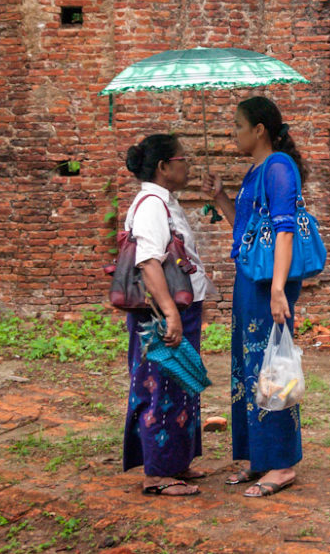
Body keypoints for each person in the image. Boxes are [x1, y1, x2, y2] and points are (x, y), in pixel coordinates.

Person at [202, 96, 305, 498]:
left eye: (239, 127)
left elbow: (284, 230)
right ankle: (255, 456)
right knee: (248, 367)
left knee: (272, 367)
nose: (235, 134)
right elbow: (244, 230)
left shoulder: (279, 167)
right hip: (251, 277)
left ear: (259, 130)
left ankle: (280, 464)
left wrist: (279, 289)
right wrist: (221, 197)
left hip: (268, 283)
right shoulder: (255, 172)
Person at [123, 134, 214, 496]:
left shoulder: (165, 202)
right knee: (159, 387)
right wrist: (170, 314)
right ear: (163, 167)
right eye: (182, 159)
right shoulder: (150, 205)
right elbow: (148, 262)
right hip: (163, 316)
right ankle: (157, 474)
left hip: (179, 311)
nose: (187, 165)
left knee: (181, 385)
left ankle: (176, 462)